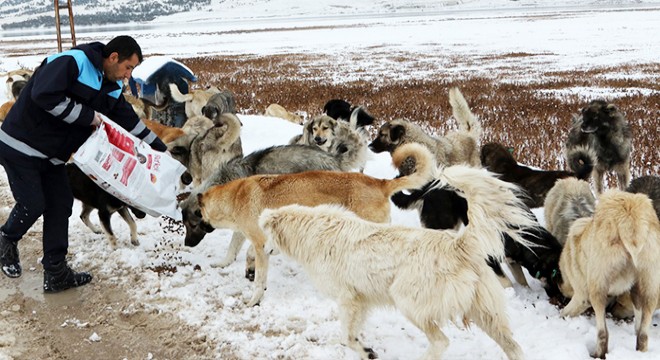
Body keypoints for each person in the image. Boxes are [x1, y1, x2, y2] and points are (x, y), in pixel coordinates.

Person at [0, 35, 167, 292]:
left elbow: (127, 121)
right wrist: (88, 116)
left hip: (52, 155)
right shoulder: (73, 62)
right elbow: (43, 95)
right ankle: (6, 240)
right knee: (33, 202)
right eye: (128, 67)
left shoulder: (111, 88)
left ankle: (56, 273)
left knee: (60, 206)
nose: (128, 75)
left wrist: (158, 147)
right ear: (113, 58)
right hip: (20, 144)